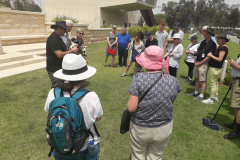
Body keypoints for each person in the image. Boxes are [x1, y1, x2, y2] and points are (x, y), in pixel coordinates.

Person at [127, 46, 182, 160]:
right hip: (163, 128)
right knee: (156, 156)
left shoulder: (138, 78)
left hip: (140, 128)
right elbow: (171, 99)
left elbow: (131, 108)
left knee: (138, 156)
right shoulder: (173, 80)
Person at [44, 54, 103, 159]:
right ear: (84, 76)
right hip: (84, 146)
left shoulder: (52, 92)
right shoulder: (91, 96)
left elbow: (48, 111)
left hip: (60, 144)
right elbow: (98, 118)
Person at [46, 21, 79, 88]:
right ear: (59, 28)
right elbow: (59, 54)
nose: (66, 31)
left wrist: (71, 50)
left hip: (59, 67)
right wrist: (72, 51)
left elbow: (63, 50)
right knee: (57, 87)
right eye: (64, 29)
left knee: (62, 86)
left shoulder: (58, 37)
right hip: (54, 69)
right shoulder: (53, 38)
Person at [188, 27, 217, 100]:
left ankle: (201, 95)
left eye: (206, 34)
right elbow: (198, 52)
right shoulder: (203, 42)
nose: (204, 35)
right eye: (204, 33)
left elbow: (209, 57)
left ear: (210, 35)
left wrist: (200, 63)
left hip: (203, 63)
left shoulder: (212, 44)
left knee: (203, 80)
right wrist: (195, 60)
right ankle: (196, 92)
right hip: (197, 62)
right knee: (197, 78)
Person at [201, 34, 229, 104]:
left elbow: (220, 59)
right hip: (215, 67)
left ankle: (211, 99)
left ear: (223, 40)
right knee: (215, 83)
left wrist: (211, 56)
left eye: (219, 39)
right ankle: (215, 96)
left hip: (215, 68)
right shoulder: (221, 47)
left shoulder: (223, 48)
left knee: (212, 83)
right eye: (217, 39)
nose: (217, 40)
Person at [223, 54, 240, 139]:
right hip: (237, 81)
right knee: (236, 106)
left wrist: (235, 66)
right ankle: (235, 124)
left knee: (238, 107)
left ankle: (237, 132)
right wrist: (234, 79)